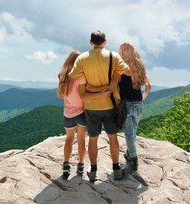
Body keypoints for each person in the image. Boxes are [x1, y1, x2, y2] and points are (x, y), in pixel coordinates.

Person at [69, 30, 130, 181]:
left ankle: (93, 170)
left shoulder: (82, 58)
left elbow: (72, 75)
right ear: (105, 42)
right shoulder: (113, 56)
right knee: (113, 137)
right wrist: (115, 77)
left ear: (91, 42)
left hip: (91, 106)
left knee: (93, 138)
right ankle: (116, 168)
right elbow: (127, 71)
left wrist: (89, 86)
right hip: (110, 104)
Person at [57, 50, 111, 178]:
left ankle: (66, 165)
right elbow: (86, 92)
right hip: (81, 113)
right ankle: (80, 166)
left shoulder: (62, 76)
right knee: (81, 140)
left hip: (68, 113)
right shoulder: (80, 76)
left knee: (69, 139)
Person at [118, 42, 151, 171]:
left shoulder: (121, 67)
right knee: (133, 132)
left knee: (129, 134)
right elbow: (148, 86)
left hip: (126, 105)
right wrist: (142, 98)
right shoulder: (140, 66)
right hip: (139, 104)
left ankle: (134, 158)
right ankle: (128, 154)